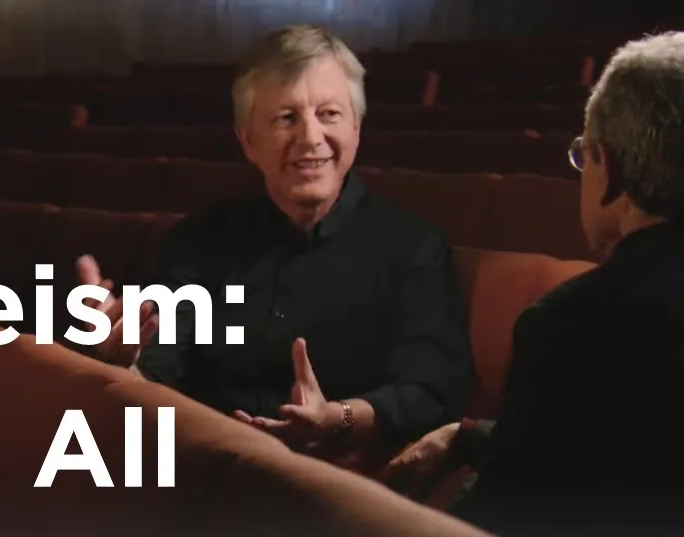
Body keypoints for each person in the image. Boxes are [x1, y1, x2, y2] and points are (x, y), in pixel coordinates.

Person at [381, 32, 684, 537]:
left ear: (611, 171)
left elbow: (500, 530)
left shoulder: (570, 321)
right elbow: (664, 444)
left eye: (584, 156)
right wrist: (467, 438)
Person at [76, 25, 473, 465]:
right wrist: (116, 362)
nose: (310, 137)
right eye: (286, 118)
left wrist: (337, 417)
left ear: (356, 128)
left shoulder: (414, 246)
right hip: (206, 467)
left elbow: (428, 393)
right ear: (247, 140)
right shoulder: (200, 240)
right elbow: (161, 368)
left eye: (329, 114)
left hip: (339, 480)